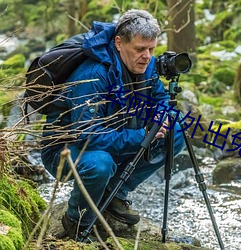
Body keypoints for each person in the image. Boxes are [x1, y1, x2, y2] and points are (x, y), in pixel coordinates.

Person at [41, 9, 185, 241]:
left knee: (176, 132)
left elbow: (159, 99)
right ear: (119, 43)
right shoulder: (92, 75)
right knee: (100, 164)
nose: (147, 56)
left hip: (116, 135)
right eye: (140, 49)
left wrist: (162, 118)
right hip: (66, 150)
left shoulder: (145, 65)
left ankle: (115, 193)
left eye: (152, 49)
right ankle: (76, 221)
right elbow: (87, 136)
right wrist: (143, 135)